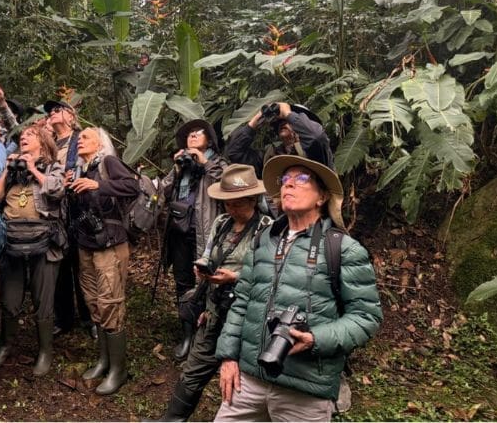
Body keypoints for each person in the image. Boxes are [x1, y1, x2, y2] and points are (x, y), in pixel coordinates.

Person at [214, 155, 382, 421]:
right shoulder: (264, 241)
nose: (289, 184)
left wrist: (315, 339)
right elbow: (242, 301)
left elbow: (366, 317)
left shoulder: (343, 249)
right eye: (285, 179)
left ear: (321, 197)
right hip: (248, 381)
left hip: (306, 390)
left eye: (302, 178)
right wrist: (228, 357)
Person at [160, 164, 271, 421]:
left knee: (239, 379)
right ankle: (172, 419)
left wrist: (236, 277)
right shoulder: (222, 223)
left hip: (246, 316)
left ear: (252, 200)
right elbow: (209, 253)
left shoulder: (267, 229)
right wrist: (203, 267)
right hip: (215, 309)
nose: (231, 209)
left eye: (237, 204)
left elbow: (271, 275)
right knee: (194, 368)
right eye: (227, 203)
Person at [66, 127, 139, 395]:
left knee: (110, 303)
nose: (80, 140)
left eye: (86, 137)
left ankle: (118, 370)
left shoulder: (108, 162)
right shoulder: (81, 170)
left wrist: (99, 185)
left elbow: (132, 186)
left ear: (100, 143)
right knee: (93, 302)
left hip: (110, 244)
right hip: (86, 245)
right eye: (79, 138)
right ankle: (104, 360)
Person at [0, 125, 65, 375]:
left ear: (43, 143)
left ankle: (45, 351)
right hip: (12, 241)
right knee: (10, 299)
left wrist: (33, 168)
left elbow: (57, 190)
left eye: (30, 135)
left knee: (44, 300)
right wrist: (7, 170)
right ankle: (6, 345)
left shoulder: (52, 167)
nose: (23, 138)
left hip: (45, 242)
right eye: (22, 136)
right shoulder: (12, 170)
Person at [160, 119, 227, 360]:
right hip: (179, 232)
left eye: (199, 132)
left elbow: (227, 185)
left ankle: (206, 334)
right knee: (182, 281)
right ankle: (187, 333)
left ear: (210, 140)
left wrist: (204, 162)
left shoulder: (218, 163)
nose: (193, 135)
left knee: (206, 282)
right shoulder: (182, 164)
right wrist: (177, 170)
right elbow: (163, 192)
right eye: (189, 133)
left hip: (206, 233)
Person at [47, 99, 95, 338]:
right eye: (50, 112)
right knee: (60, 263)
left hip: (78, 208)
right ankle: (63, 318)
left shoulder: (81, 138)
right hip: (55, 209)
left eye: (57, 110)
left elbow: (95, 163)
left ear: (70, 115)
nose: (52, 113)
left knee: (83, 264)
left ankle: (89, 317)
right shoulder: (48, 143)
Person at [224, 102, 333, 176]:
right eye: (280, 122)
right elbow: (234, 153)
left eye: (287, 121)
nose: (283, 123)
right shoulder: (271, 156)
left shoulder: (316, 151)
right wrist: (254, 122)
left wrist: (288, 114)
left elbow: (316, 136)